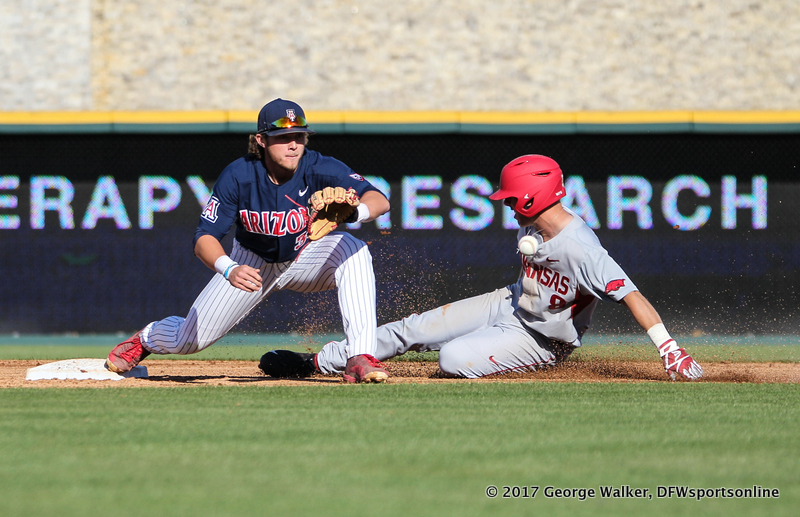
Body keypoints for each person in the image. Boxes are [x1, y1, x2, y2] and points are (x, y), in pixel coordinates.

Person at [260, 154, 703, 381]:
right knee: (414, 328)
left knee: (453, 357)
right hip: (510, 304)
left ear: (531, 197)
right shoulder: (532, 223)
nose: (505, 204)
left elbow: (631, 294)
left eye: (510, 198)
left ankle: (519, 361)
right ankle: (318, 361)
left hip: (543, 339)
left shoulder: (580, 248)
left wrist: (669, 349)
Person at [106, 98, 392, 383]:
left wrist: (356, 212)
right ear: (261, 140)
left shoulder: (320, 167)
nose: (293, 144)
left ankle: (359, 356)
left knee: (353, 249)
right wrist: (229, 268)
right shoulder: (239, 175)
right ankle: (146, 339)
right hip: (250, 264)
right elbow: (204, 237)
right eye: (283, 137)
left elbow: (379, 199)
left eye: (299, 136)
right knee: (188, 340)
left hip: (303, 257)